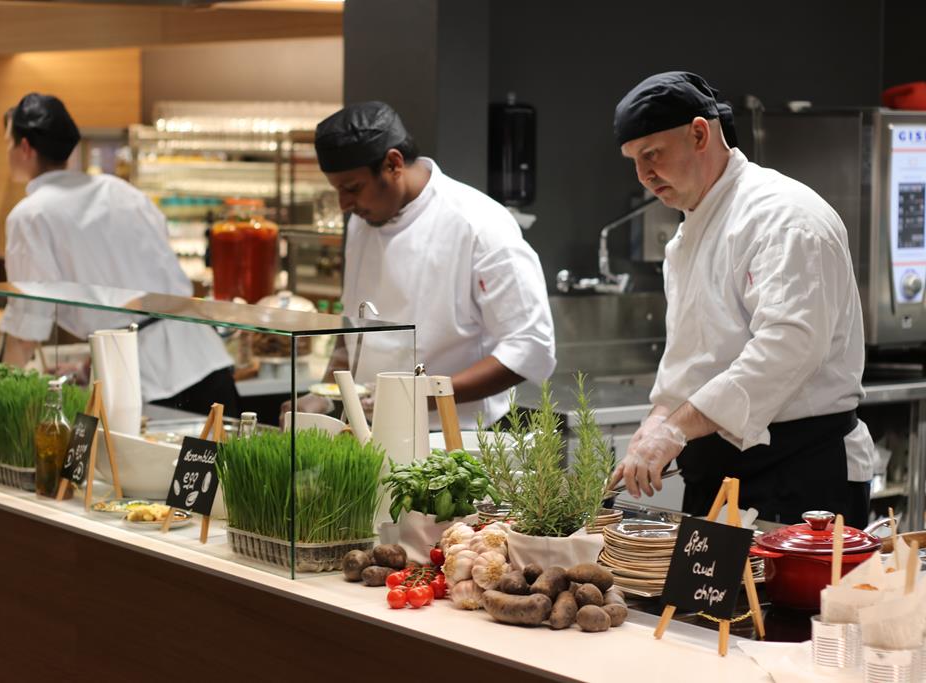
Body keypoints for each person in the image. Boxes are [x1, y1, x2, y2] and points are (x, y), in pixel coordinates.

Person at [608, 72, 874, 527]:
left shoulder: (784, 216)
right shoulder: (691, 231)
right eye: (634, 160)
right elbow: (693, 359)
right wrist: (658, 420)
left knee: (788, 581)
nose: (644, 175)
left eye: (652, 154)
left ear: (699, 134)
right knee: (707, 581)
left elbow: (787, 348)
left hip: (798, 475)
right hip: (718, 474)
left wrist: (676, 428)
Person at [294, 101, 556, 429]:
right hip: (368, 429)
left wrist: (419, 396)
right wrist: (324, 393)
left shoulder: (479, 224)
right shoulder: (363, 222)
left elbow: (531, 346)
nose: (344, 204)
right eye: (337, 190)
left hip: (458, 436)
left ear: (393, 163)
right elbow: (354, 329)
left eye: (352, 188)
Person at [0, 93, 238, 416]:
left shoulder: (30, 216)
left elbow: (25, 332)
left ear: (25, 148)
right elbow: (135, 291)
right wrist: (89, 365)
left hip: (150, 385)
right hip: (208, 362)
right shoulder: (122, 191)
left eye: (8, 143)